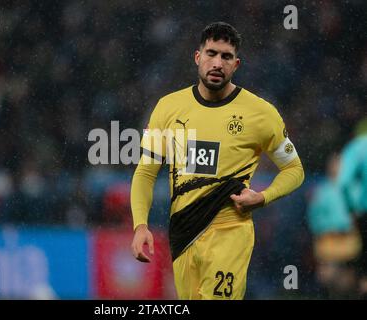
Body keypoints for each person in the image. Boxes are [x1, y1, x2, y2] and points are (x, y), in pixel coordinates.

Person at [130, 22, 305, 300]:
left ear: (236, 64)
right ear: (198, 57)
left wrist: (263, 197)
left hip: (230, 230)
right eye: (211, 54)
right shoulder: (168, 108)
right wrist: (140, 226)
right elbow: (145, 173)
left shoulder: (260, 113)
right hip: (184, 234)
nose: (217, 63)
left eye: (225, 57)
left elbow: (294, 169)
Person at [307, 153, 361, 299]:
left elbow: (359, 212)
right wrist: (326, 229)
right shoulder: (322, 191)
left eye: (340, 164)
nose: (337, 167)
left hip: (350, 241)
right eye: (334, 163)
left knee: (348, 278)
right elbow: (314, 217)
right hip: (329, 240)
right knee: (328, 276)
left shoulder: (355, 189)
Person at [337, 117, 367, 298]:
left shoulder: (357, 147)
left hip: (364, 212)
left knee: (363, 259)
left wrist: (351, 208)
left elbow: (343, 182)